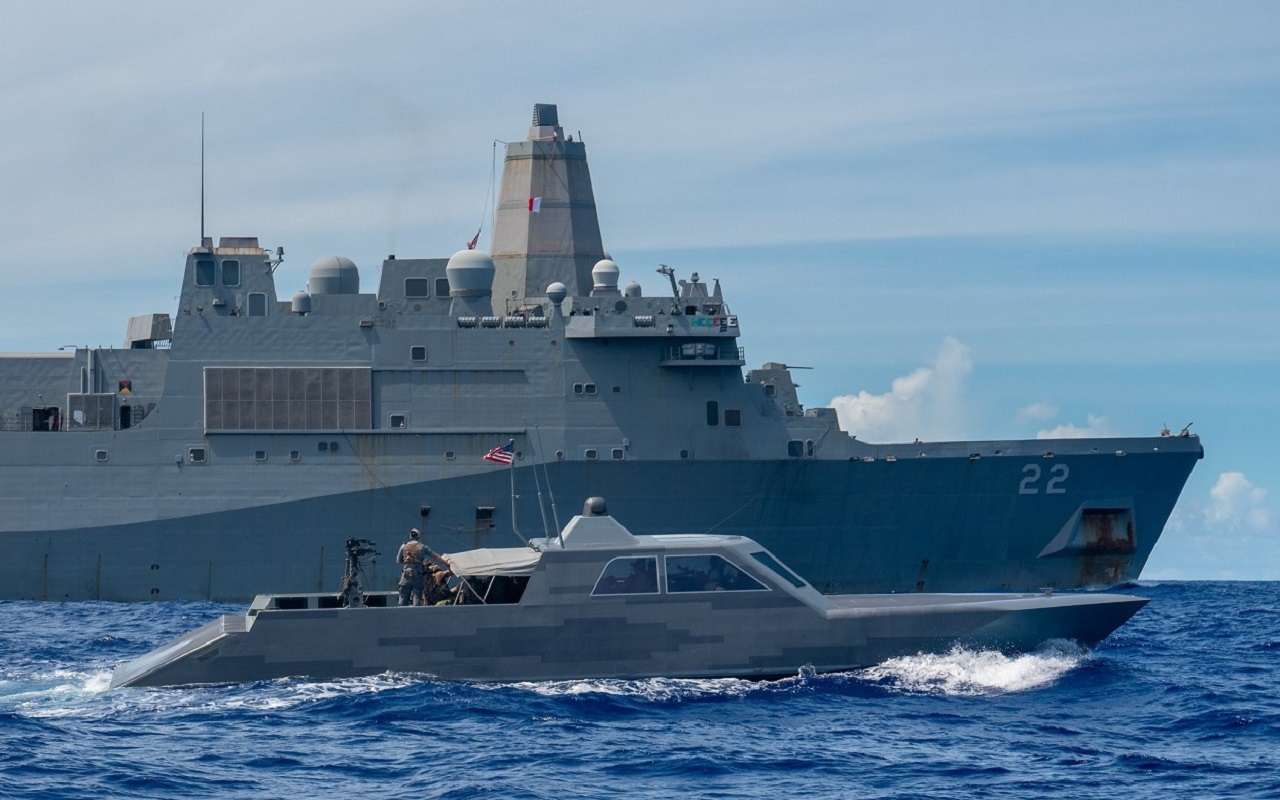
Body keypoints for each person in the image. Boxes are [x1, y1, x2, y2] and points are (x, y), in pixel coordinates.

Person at [396, 528, 427, 606]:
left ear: (410, 536)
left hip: (405, 576)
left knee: (402, 598)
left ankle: (401, 612)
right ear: (418, 537)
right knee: (417, 596)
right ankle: (416, 613)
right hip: (417, 575)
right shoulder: (422, 547)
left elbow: (398, 561)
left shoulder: (403, 546)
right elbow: (435, 556)